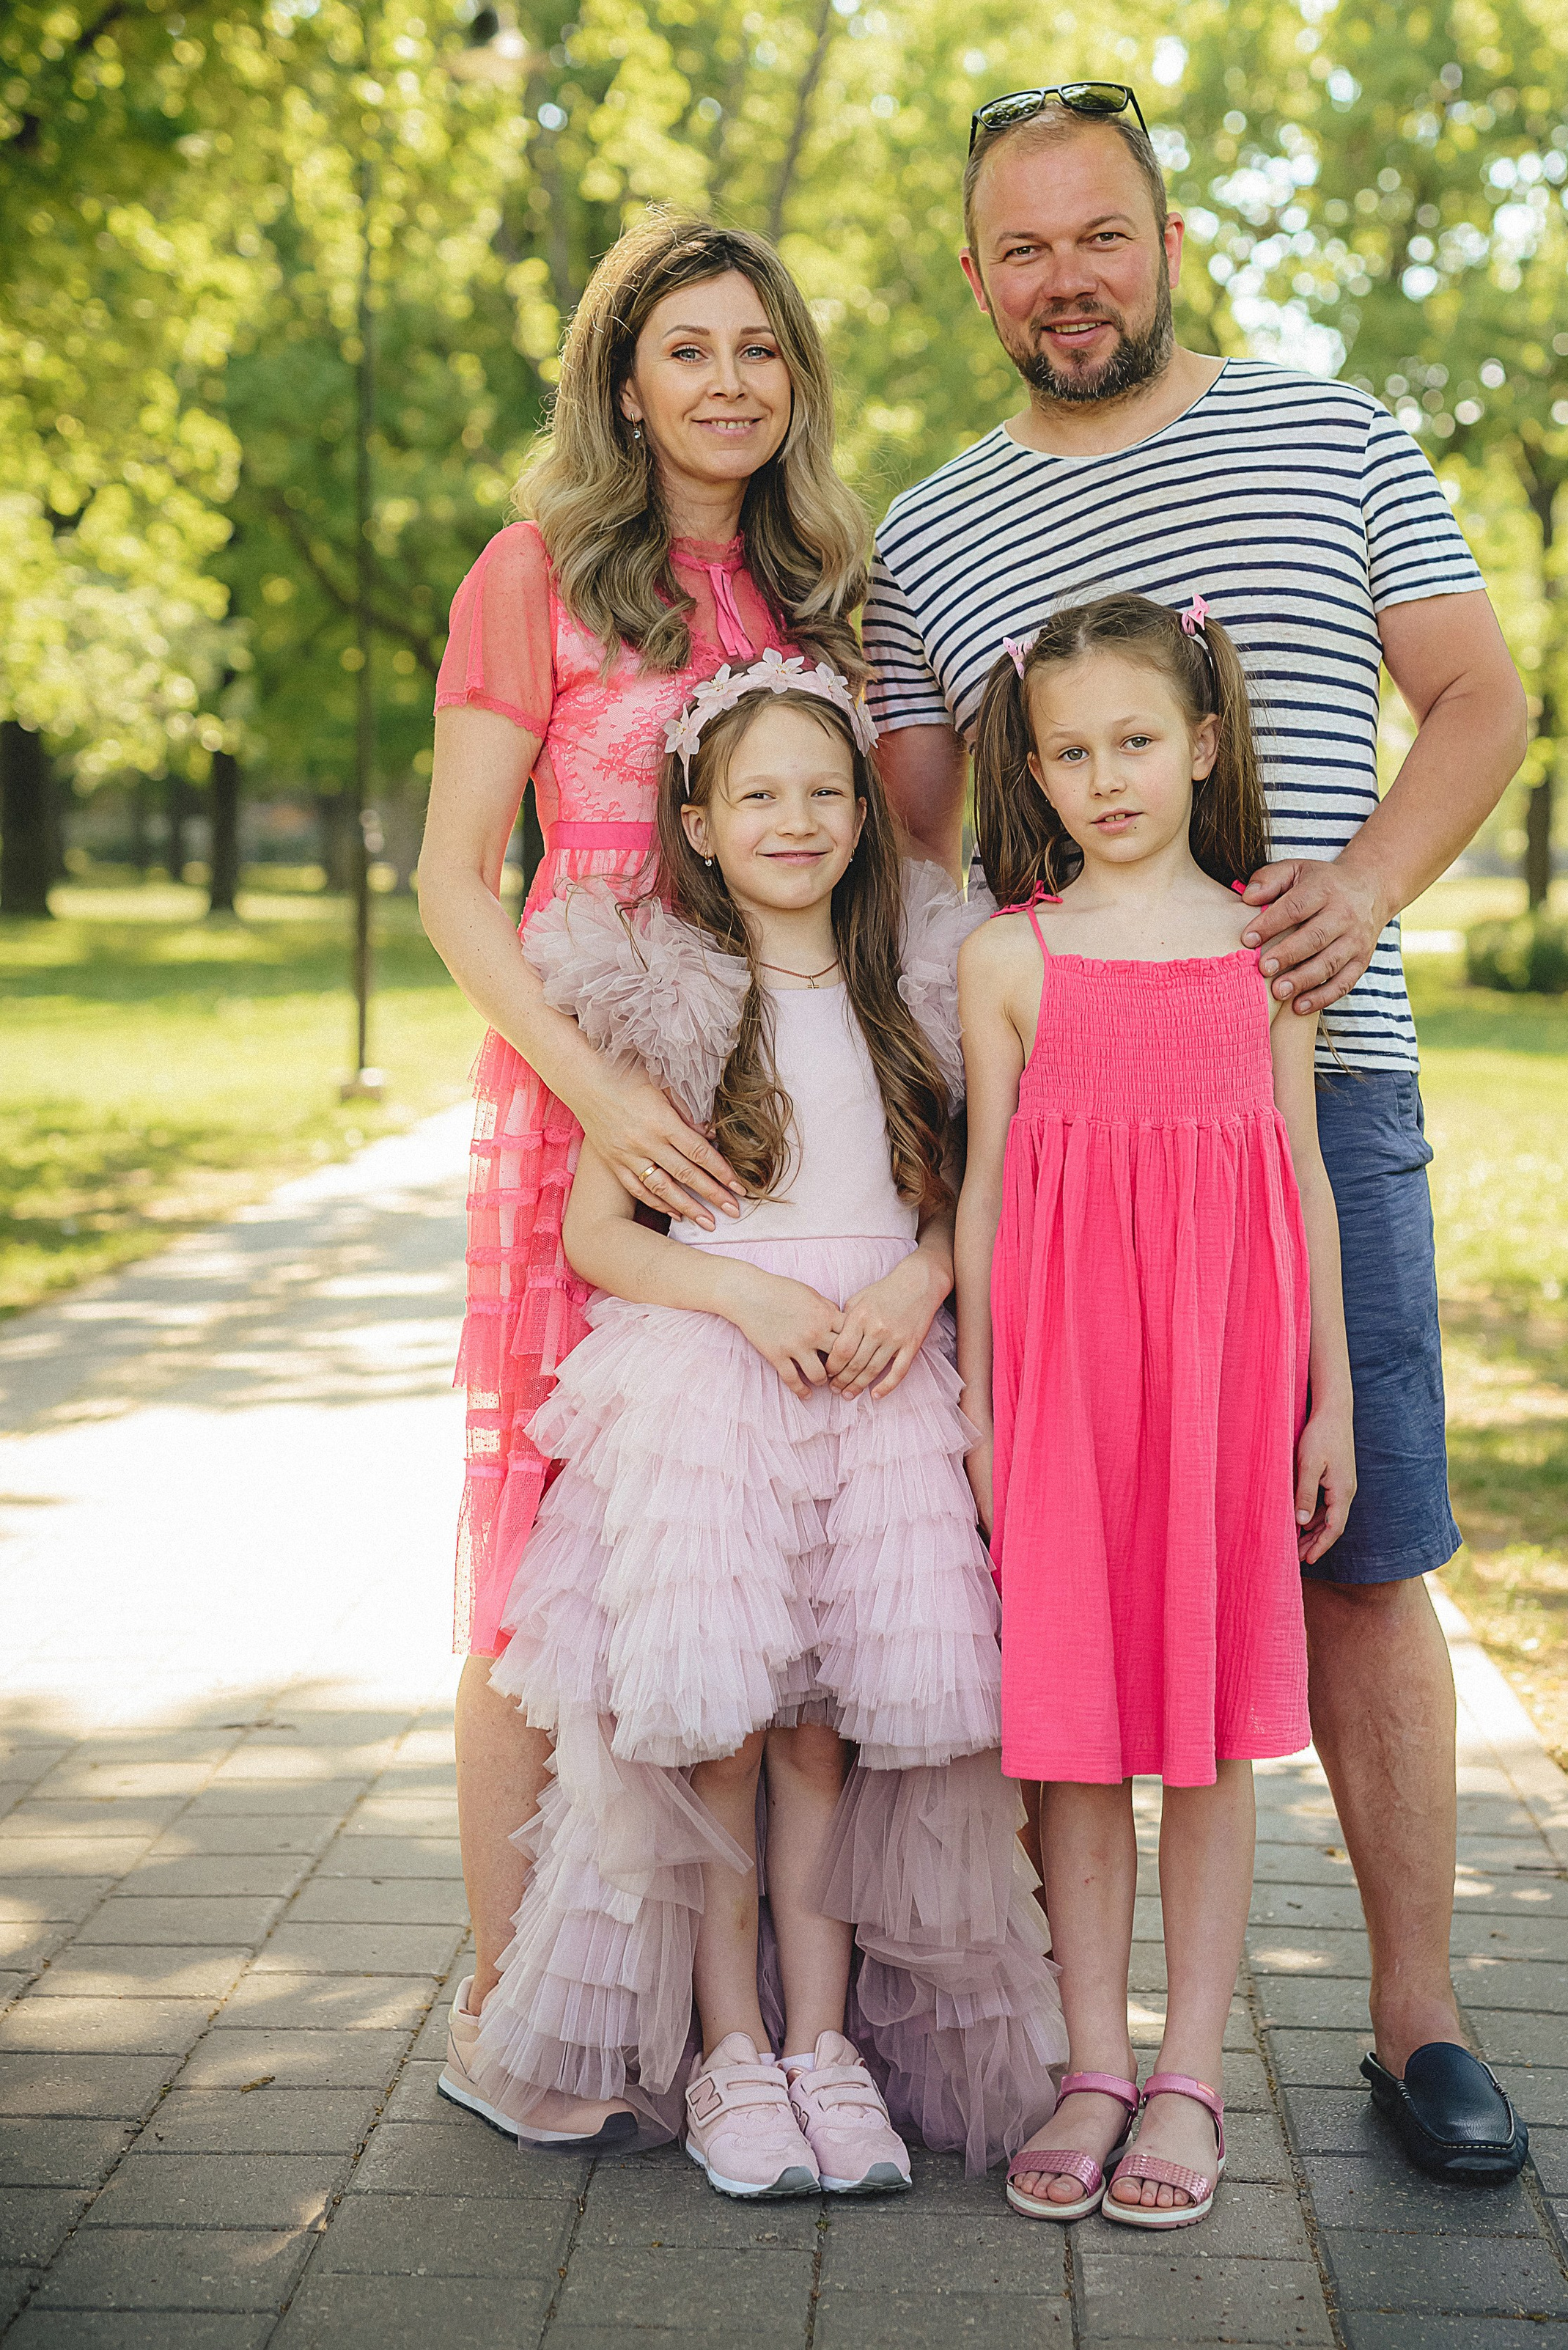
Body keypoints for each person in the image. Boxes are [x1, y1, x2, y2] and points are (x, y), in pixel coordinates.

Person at [864, 83, 1534, 2185]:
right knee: (1080, 1575)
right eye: (1025, 246)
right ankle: (1092, 2044)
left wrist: (1368, 886)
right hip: (1067, 1112)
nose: (1070, 276)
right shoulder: (929, 527)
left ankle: (1413, 2016)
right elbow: (908, 817)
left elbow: (1482, 697)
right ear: (977, 277)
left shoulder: (1337, 434)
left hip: (1303, 1076)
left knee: (1360, 1539)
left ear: (1167, 234)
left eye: (1103, 232)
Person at [441, 651, 1062, 2187]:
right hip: (716, 1391)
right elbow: (602, 1237)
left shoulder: (917, 982)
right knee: (716, 1736)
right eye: (758, 795)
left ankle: (821, 2045)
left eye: (824, 792)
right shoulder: (662, 994)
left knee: (822, 1737)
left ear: (865, 812)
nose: (797, 818)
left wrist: (923, 1286)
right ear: (701, 825)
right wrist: (748, 1300)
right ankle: (728, 2048)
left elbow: (957, 1198)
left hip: (873, 1393)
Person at [416, 214, 871, 2146]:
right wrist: (596, 1096)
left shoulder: (825, 592)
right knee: (548, 1557)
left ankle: (759, 2008)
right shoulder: (536, 574)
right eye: (688, 349)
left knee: (758, 1548)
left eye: (759, 348)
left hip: (779, 1115)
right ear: (626, 380)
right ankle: (520, 1997)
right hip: (585, 1103)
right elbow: (454, 878)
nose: (727, 383)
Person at [956, 592, 1356, 2225]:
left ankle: (1190, 2071)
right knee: (1069, 1736)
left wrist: (1327, 1400)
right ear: (1032, 770)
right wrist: (982, 1407)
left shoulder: (1268, 948)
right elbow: (983, 1197)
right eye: (1069, 751)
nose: (1105, 776)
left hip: (1220, 1379)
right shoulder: (1010, 955)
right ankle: (1090, 2060)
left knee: (1197, 1732)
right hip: (1063, 1387)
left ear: (1199, 744)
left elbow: (1305, 1178)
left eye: (1135, 741)